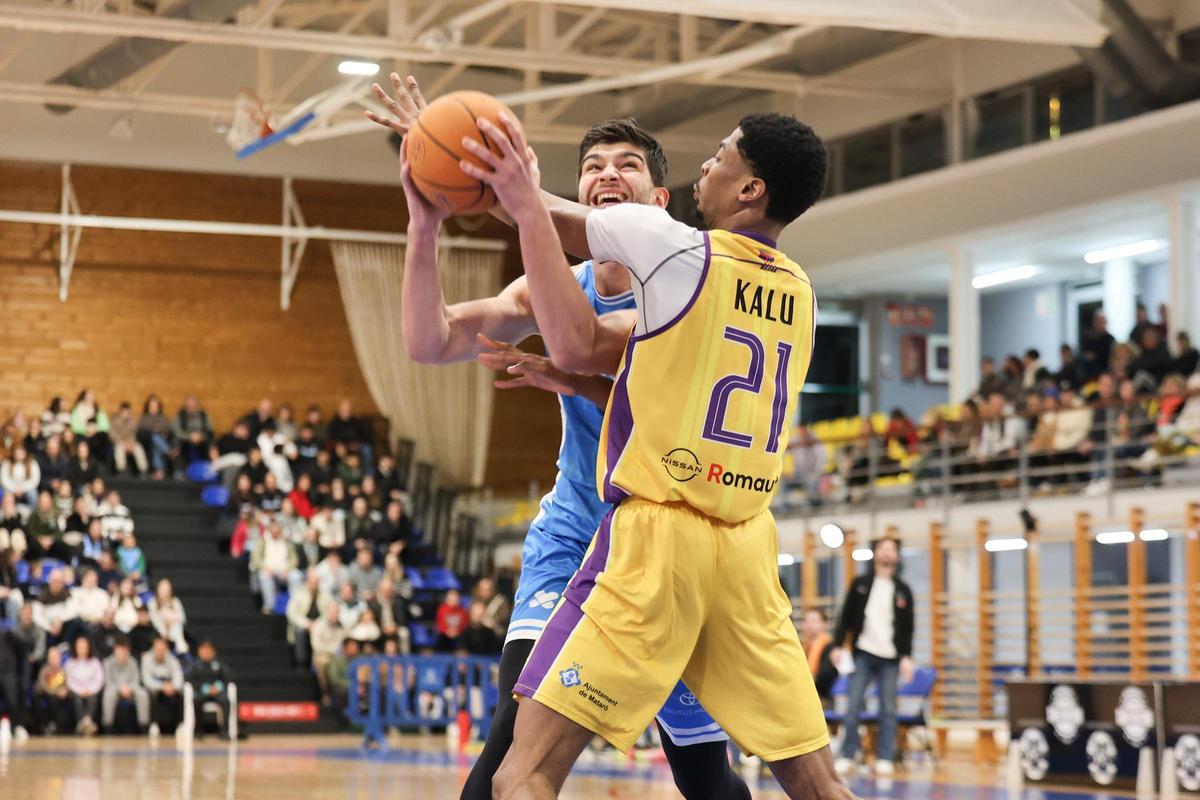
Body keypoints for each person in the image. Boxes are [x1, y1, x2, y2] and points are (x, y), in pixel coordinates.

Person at [371, 75, 750, 800]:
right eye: (594, 166)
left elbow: (587, 358)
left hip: (671, 541)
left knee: (704, 775)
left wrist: (512, 195)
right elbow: (430, 340)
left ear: (661, 204)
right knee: (510, 743)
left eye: (627, 165)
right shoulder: (556, 282)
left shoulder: (692, 285)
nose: (608, 174)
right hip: (579, 528)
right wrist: (424, 227)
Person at [450, 104, 842, 797]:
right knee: (814, 783)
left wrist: (502, 174)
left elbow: (566, 305)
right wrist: (570, 378)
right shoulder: (801, 292)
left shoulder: (678, 249)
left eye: (722, 156)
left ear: (751, 190)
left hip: (660, 537)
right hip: (748, 547)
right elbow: (633, 356)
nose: (707, 165)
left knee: (523, 772)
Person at [831, 537, 916, 775]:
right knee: (853, 704)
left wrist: (907, 656)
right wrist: (838, 645)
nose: (887, 553)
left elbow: (908, 627)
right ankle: (849, 754)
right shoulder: (860, 583)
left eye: (892, 550)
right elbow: (845, 617)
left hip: (890, 658)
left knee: (888, 709)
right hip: (863, 654)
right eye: (882, 549)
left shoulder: (903, 590)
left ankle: (885, 757)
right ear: (875, 554)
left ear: (897, 556)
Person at [185, 640, 233, 738]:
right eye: (204, 650)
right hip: (201, 692)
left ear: (213, 651)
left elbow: (228, 678)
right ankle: (198, 731)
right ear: (199, 651)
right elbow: (189, 678)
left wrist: (218, 687)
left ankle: (224, 731)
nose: (206, 652)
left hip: (217, 692)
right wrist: (203, 688)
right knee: (196, 700)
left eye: (208, 650)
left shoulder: (218, 664)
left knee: (225, 700)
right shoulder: (194, 665)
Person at [101, 636, 149, 732]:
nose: (123, 652)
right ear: (115, 649)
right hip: (114, 689)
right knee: (108, 694)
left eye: (125, 649)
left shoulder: (133, 662)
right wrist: (120, 688)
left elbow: (136, 680)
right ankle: (108, 726)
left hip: (131, 689)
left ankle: (144, 725)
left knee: (142, 694)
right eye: (120, 649)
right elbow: (108, 681)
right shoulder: (107, 662)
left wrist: (129, 688)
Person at [286, 569, 332, 667]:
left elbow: (329, 612)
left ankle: (321, 663)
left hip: (320, 625)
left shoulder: (325, 595)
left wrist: (317, 624)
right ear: (307, 582)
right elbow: (291, 613)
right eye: (312, 582)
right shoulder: (299, 593)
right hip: (303, 625)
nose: (315, 584)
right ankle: (301, 662)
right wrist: (307, 624)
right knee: (299, 631)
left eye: (317, 582)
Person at [251, 522, 298, 614]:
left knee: (296, 576)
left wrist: (288, 570)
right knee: (264, 576)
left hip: (284, 570)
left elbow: (294, 559)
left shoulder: (286, 541)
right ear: (270, 531)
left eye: (278, 532)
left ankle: (294, 606)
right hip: (268, 569)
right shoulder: (263, 541)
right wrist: (265, 568)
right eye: (274, 532)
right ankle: (269, 605)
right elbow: (256, 558)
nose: (276, 534)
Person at [141, 636, 185, 735]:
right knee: (150, 695)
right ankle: (154, 724)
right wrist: (162, 686)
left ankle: (179, 725)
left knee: (180, 694)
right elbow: (147, 680)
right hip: (155, 689)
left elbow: (178, 677)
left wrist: (173, 686)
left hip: (170, 687)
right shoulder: (147, 659)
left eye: (163, 649)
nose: (160, 652)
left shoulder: (172, 660)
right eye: (158, 649)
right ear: (154, 648)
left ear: (166, 649)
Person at [65, 635, 104, 736]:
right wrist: (80, 691)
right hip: (76, 691)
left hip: (92, 691)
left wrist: (90, 690)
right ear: (76, 648)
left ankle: (86, 722)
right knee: (77, 700)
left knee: (93, 699)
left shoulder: (95, 662)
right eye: (80, 647)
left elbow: (99, 679)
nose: (82, 649)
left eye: (84, 647)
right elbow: (69, 680)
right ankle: (84, 723)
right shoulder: (70, 663)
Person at [800, 608, 837, 703]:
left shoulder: (833, 648)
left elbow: (826, 677)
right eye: (806, 621)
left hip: (824, 696)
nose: (809, 625)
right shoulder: (801, 647)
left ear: (825, 624)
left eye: (813, 621)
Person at [35, 645, 72, 735]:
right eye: (52, 657)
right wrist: (56, 691)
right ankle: (49, 725)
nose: (55, 660)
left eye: (56, 657)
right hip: (47, 695)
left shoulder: (64, 670)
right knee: (50, 699)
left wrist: (65, 690)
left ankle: (62, 728)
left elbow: (68, 683)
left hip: (62, 696)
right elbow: (43, 685)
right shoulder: (45, 670)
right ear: (48, 659)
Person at [148, 578, 188, 654]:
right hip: (159, 630)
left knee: (177, 626)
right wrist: (165, 622)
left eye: (167, 589)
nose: (165, 591)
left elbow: (182, 618)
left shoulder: (175, 601)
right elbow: (154, 619)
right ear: (158, 589)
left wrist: (171, 621)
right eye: (163, 588)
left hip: (174, 628)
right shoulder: (152, 602)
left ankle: (180, 644)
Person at [110, 403, 149, 476]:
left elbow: (134, 434)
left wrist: (131, 443)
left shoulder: (132, 421)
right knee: (119, 449)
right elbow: (112, 434)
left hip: (130, 443)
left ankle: (143, 470)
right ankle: (121, 470)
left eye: (127, 412)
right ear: (120, 412)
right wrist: (123, 442)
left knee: (139, 448)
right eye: (124, 412)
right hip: (119, 442)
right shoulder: (114, 421)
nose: (126, 414)